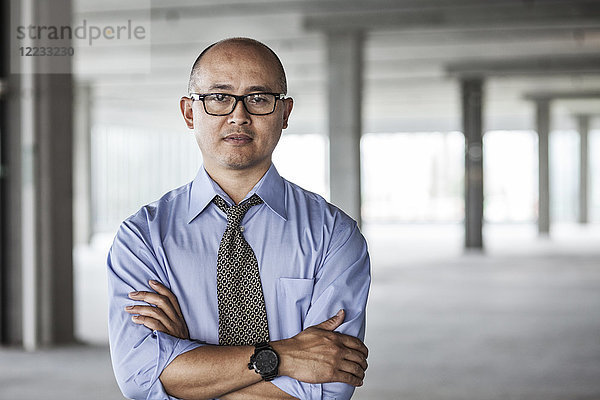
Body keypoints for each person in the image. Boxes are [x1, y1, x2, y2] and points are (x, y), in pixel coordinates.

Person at [107, 37, 371, 400]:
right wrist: (284, 355)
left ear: (285, 113)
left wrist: (190, 362)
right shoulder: (142, 238)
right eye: (219, 97)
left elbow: (329, 387)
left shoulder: (334, 235)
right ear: (189, 112)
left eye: (259, 99)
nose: (238, 115)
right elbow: (139, 378)